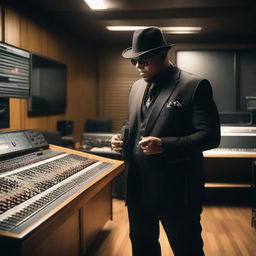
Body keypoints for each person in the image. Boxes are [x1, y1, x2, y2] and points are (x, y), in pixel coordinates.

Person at [111, 27, 220, 256]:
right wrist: (122, 139)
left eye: (144, 60)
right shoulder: (135, 87)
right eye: (135, 62)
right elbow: (135, 124)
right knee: (142, 248)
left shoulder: (194, 85)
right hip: (138, 188)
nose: (139, 66)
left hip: (177, 191)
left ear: (163, 54)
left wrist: (165, 144)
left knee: (186, 249)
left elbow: (210, 136)